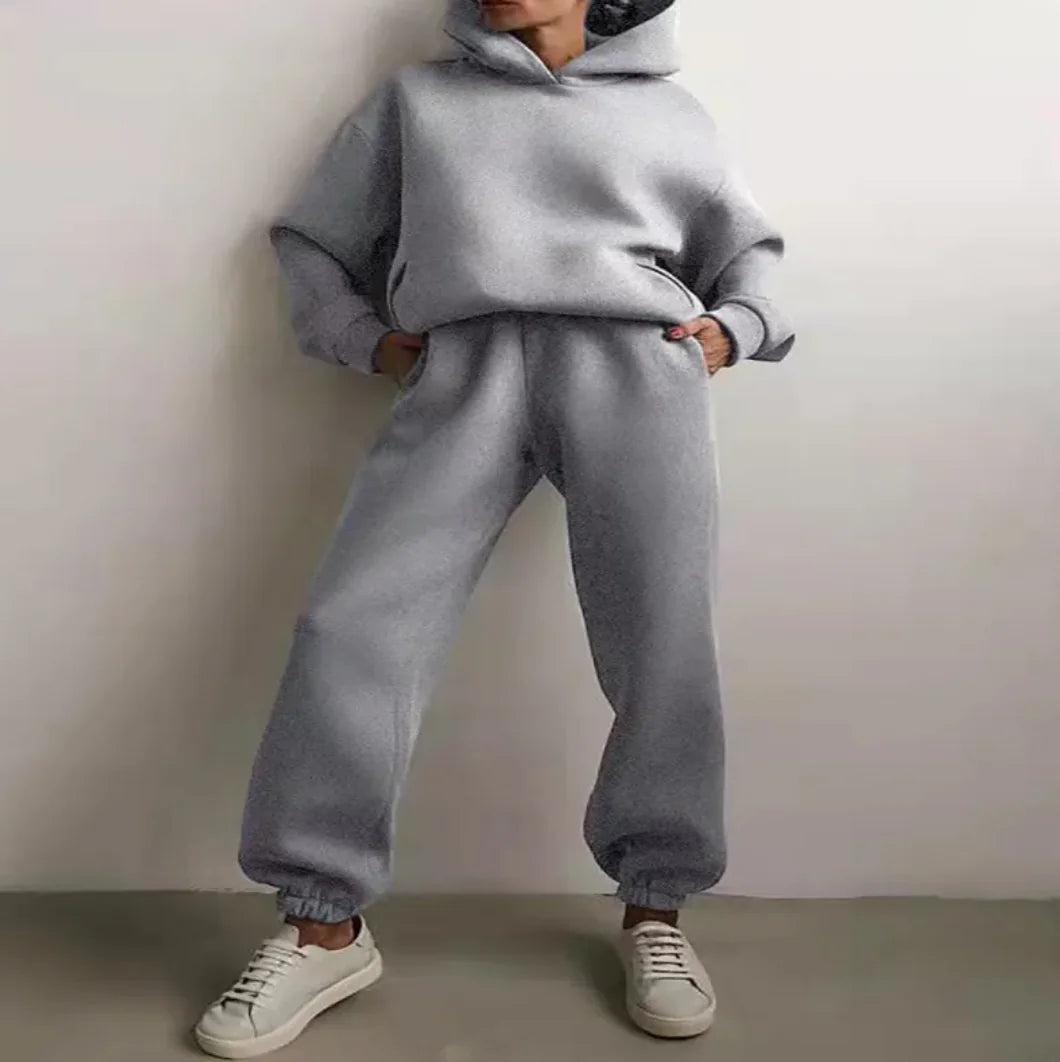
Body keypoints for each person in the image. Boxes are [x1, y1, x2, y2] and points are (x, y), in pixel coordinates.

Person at [193, 0, 795, 1055]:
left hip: (636, 371)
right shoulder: (417, 103)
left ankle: (656, 908)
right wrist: (366, 340)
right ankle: (323, 923)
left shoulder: (672, 114)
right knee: (355, 629)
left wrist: (734, 327)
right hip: (463, 367)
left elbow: (750, 252)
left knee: (663, 638)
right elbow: (310, 241)